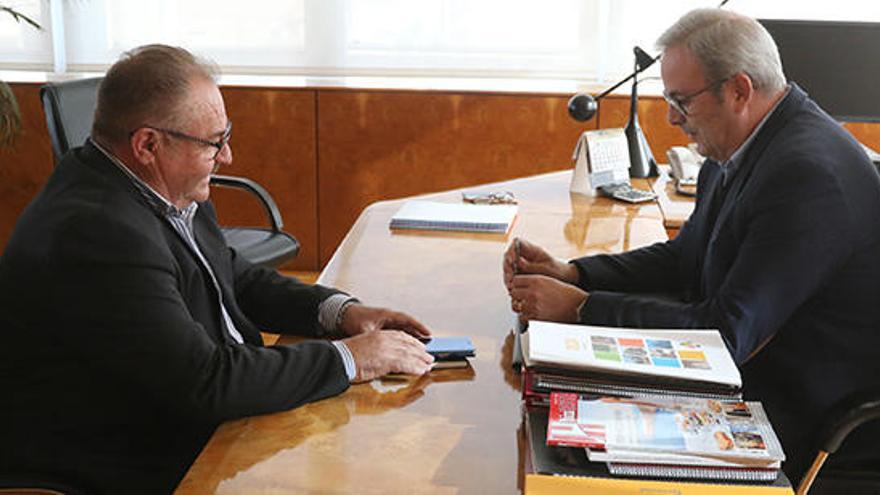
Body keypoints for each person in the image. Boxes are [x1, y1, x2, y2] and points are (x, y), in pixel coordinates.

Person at [0, 44, 434, 494]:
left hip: (192, 421)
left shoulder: (168, 188)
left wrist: (339, 313)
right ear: (148, 144)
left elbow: (234, 275)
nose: (227, 157)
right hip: (123, 460)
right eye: (214, 142)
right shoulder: (97, 231)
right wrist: (353, 358)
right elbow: (205, 381)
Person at [504, 8, 880, 482]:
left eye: (682, 100)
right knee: (549, 423)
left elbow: (725, 334)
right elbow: (685, 260)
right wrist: (576, 274)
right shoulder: (739, 146)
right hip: (748, 381)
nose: (671, 118)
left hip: (807, 421)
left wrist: (582, 310)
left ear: (739, 90)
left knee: (566, 466)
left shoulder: (807, 175)